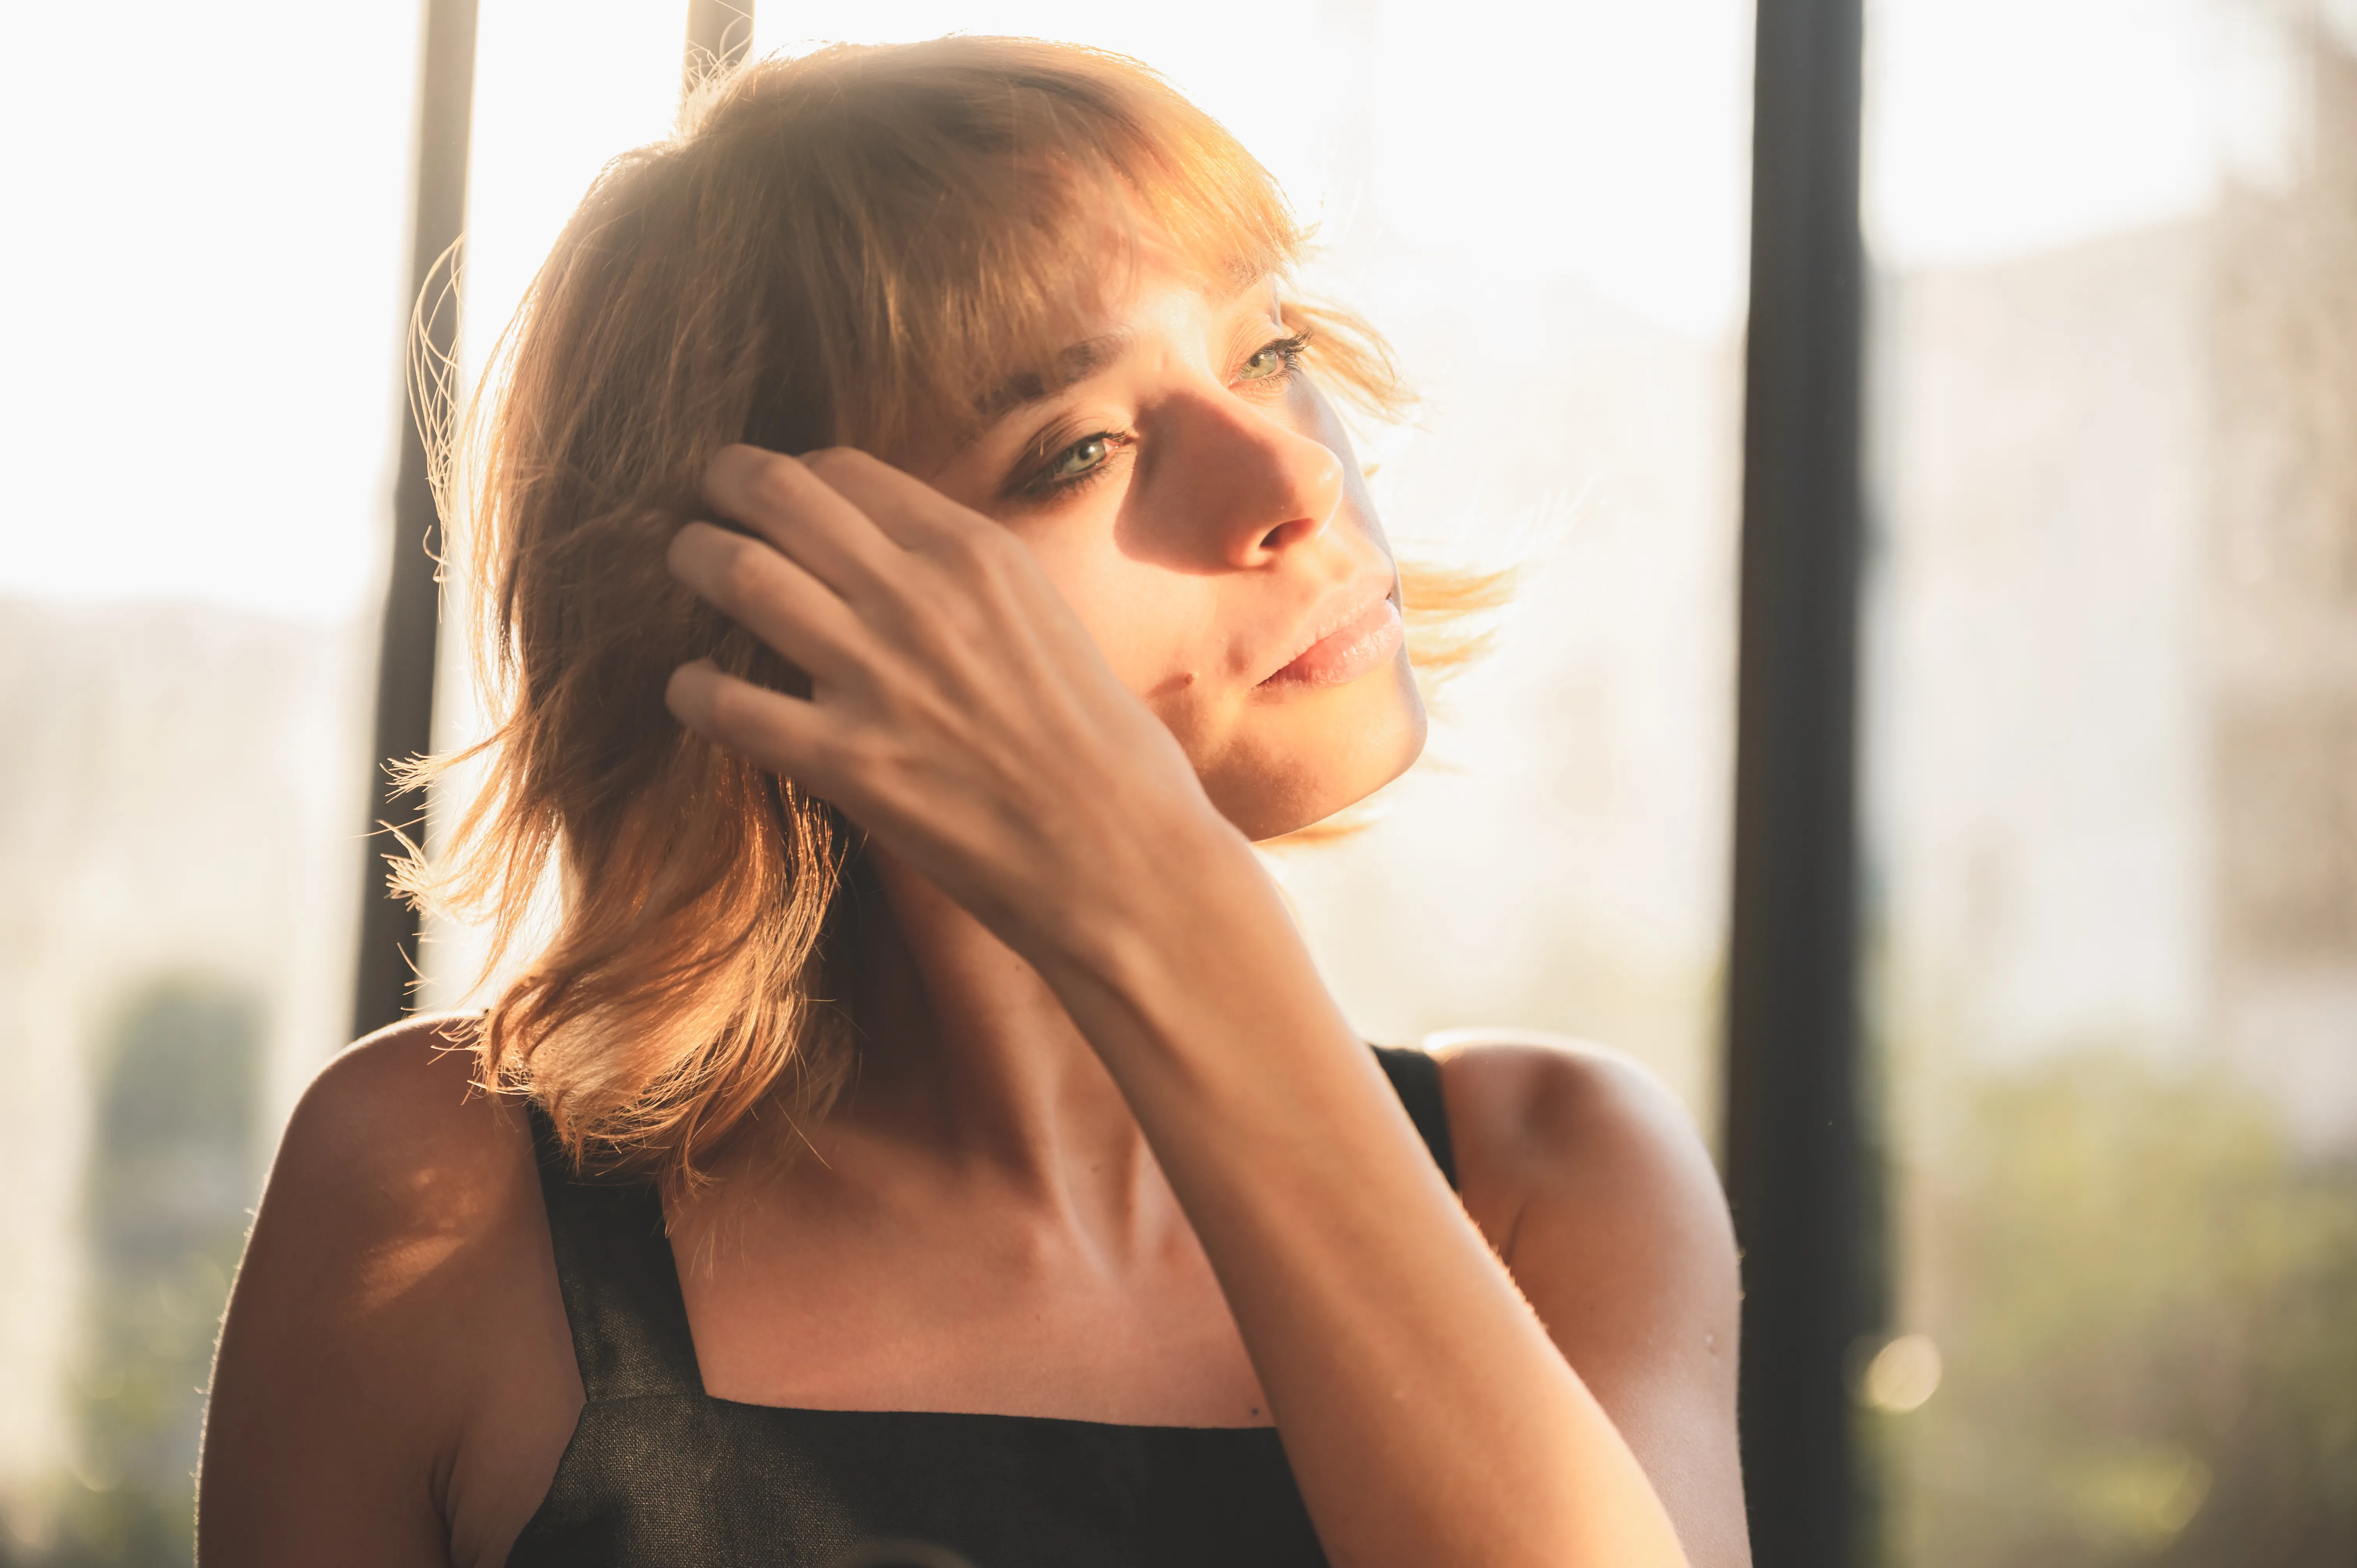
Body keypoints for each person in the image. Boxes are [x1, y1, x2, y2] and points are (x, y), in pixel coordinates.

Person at [198, 35, 1747, 1568]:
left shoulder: (1564, 1181)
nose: (1295, 479)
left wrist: (1165, 913)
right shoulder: (436, 1203)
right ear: (770, 625)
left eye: (1266, 349)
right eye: (1077, 448)